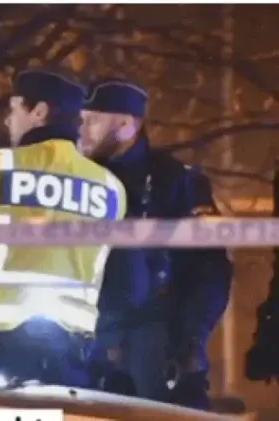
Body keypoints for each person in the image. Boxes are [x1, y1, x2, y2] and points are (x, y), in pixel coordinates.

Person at [0, 69, 127, 387]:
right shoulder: (111, 188)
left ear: (39, 112)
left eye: (14, 108)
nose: (8, 121)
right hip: (71, 356)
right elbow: (123, 281)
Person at [80, 77, 233, 410]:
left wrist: (192, 340)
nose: (82, 130)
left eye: (93, 120)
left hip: (154, 344)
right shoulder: (74, 179)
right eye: (81, 120)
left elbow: (210, 270)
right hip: (85, 342)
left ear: (126, 125)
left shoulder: (177, 181)